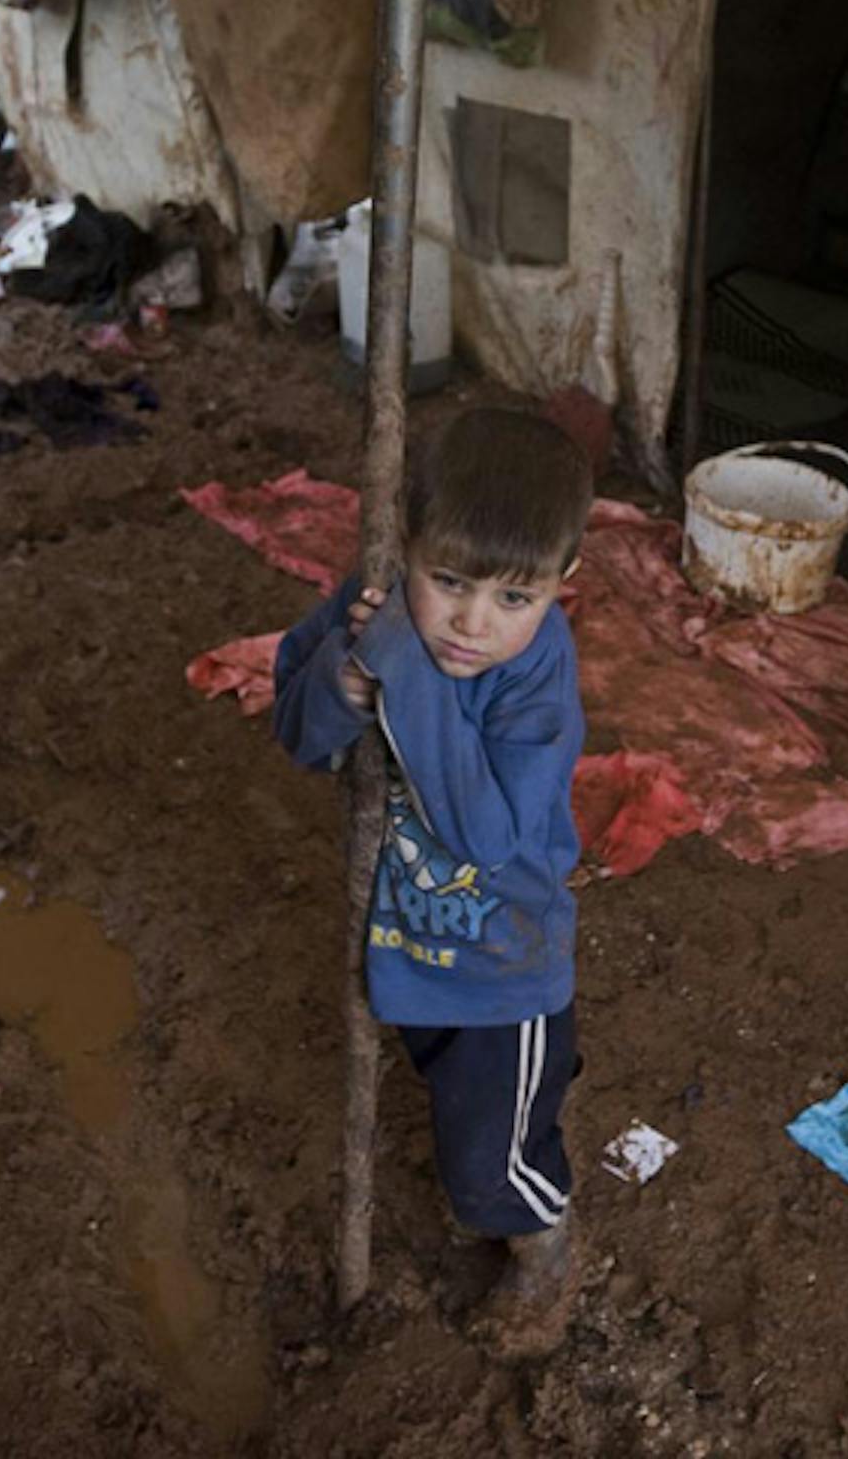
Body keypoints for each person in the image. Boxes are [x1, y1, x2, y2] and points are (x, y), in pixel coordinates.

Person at [273, 406, 592, 1354]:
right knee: (454, 1096)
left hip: (504, 970)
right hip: (406, 943)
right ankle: (528, 1108)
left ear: (562, 585)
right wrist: (342, 675)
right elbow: (295, 731)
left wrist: (406, 672)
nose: (470, 622)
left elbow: (487, 836)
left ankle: (550, 1253)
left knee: (488, 1176)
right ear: (404, 545)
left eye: (513, 599)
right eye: (447, 580)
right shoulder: (373, 606)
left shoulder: (534, 679)